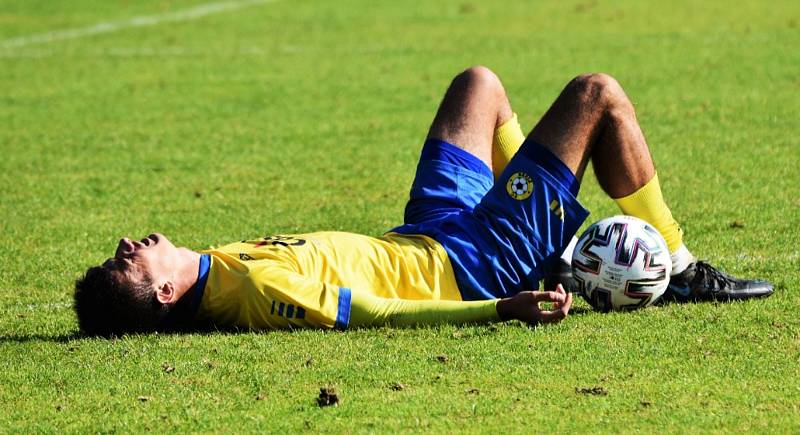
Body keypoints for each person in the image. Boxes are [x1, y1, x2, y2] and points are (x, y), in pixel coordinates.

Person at [74, 67, 773, 336]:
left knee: (480, 86)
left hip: (428, 232)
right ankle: (681, 268)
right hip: (468, 265)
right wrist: (500, 304)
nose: (129, 245)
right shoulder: (253, 290)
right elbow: (374, 311)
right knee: (596, 95)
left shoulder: (212, 270)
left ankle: (548, 239)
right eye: (127, 264)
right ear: (164, 292)